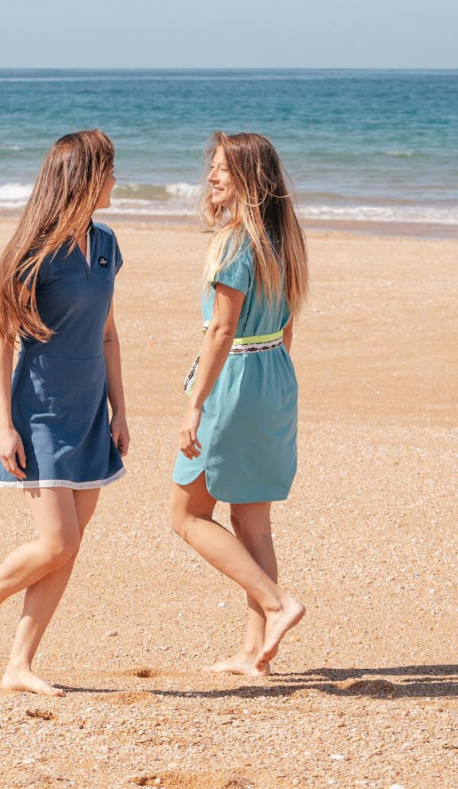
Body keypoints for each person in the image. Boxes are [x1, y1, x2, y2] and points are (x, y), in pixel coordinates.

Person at [0, 129, 129, 697]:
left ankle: (19, 666)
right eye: (107, 170)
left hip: (90, 415)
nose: (113, 180)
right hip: (41, 415)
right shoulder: (34, 254)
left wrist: (119, 413)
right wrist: (5, 426)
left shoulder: (106, 244)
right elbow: (0, 341)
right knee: (56, 543)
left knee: (69, 547)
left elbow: (107, 335)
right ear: (82, 178)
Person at [170, 131, 309, 677]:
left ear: (249, 179)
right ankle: (257, 655)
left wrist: (194, 405)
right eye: (212, 166)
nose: (211, 176)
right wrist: (271, 385)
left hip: (235, 379)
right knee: (253, 524)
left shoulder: (233, 243)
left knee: (186, 515)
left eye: (223, 169)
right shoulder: (283, 241)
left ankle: (278, 605)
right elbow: (287, 324)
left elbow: (222, 331)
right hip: (274, 376)